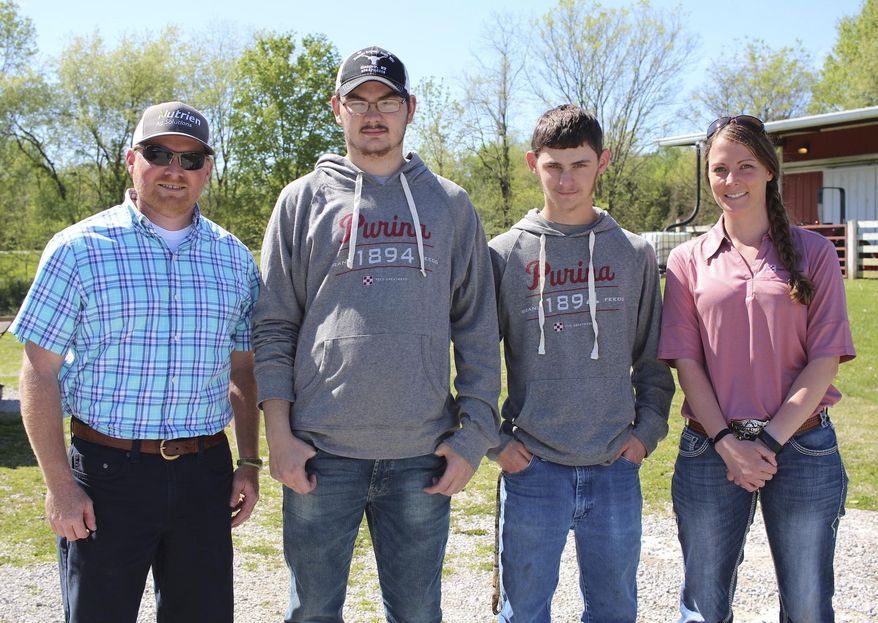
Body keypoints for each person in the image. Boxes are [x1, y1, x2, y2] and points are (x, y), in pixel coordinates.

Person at [252, 46, 500, 622]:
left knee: (416, 613)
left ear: (410, 109)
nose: (373, 113)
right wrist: (280, 437)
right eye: (359, 101)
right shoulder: (300, 201)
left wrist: (473, 437)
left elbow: (479, 329)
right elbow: (273, 327)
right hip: (321, 453)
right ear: (337, 109)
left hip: (422, 455)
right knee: (312, 612)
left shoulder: (449, 205)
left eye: (387, 100)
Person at [11, 101, 261, 623]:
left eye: (191, 159)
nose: (175, 169)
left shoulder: (234, 258)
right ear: (132, 159)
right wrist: (59, 485)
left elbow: (243, 370)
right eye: (159, 153)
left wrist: (249, 463)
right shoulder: (77, 249)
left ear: (208, 170)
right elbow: (39, 370)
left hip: (204, 473)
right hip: (107, 475)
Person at [659, 114, 856, 623]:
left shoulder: (813, 253)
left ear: (770, 170)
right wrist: (729, 443)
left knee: (809, 606)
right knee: (703, 607)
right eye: (720, 169)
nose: (731, 181)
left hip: (802, 447)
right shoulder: (687, 260)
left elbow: (825, 358)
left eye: (745, 166)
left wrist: (766, 444)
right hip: (709, 449)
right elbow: (687, 362)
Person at [488, 104, 675, 622]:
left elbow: (654, 359)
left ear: (603, 162)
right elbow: (475, 361)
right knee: (523, 611)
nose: (566, 179)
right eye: (554, 166)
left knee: (615, 610)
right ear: (532, 163)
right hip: (532, 469)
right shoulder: (504, 255)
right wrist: (496, 444)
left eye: (579, 164)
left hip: (615, 465)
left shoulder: (634, 253)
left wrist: (646, 434)